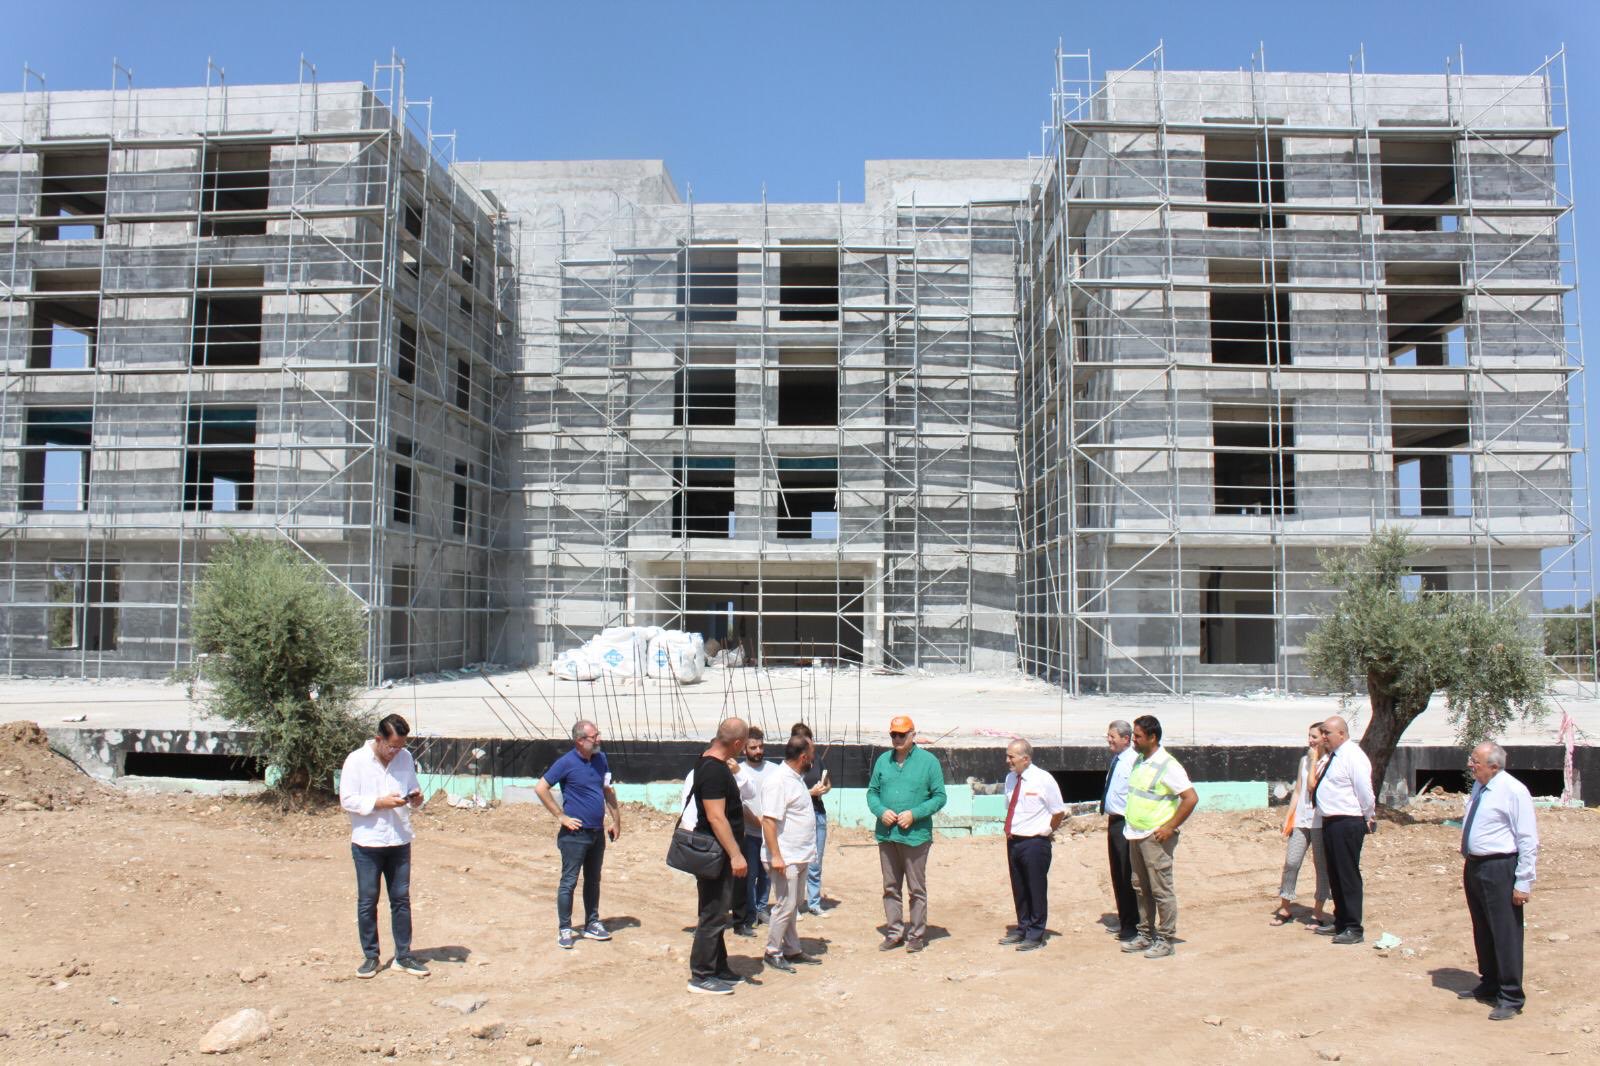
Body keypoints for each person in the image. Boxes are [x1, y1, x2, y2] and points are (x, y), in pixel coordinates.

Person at [339, 713, 429, 978]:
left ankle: (404, 955)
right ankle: (371, 956)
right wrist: (379, 803)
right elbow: (347, 799)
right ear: (378, 739)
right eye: (391, 746)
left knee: (401, 899)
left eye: (400, 747)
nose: (395, 752)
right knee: (368, 900)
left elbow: (412, 788)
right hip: (368, 841)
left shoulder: (405, 758)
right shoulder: (356, 760)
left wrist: (415, 798)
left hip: (399, 839)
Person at [1458, 741, 1539, 1021]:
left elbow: (1527, 838)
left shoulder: (1513, 791)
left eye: (1476, 761)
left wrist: (1523, 882)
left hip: (1500, 867)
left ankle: (1511, 995)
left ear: (1494, 765)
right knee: (1482, 928)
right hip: (1475, 866)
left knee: (1505, 932)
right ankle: (1490, 982)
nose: (1471, 764)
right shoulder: (1481, 787)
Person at [534, 719, 622, 950]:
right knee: (569, 882)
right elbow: (541, 788)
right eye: (594, 737)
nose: (598, 739)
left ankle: (592, 923)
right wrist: (560, 816)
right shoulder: (566, 763)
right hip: (575, 835)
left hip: (596, 833)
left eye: (598, 734)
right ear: (580, 740)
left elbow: (607, 790)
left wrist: (616, 820)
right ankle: (565, 928)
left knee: (593, 880)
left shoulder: (600, 759)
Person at [866, 714, 947, 953]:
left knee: (916, 888)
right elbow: (872, 793)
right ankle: (894, 932)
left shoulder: (929, 762)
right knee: (890, 886)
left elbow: (940, 796)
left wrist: (915, 813)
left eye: (902, 734)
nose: (897, 739)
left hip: (915, 837)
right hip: (887, 835)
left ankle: (916, 934)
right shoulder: (882, 761)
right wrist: (881, 811)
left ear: (913, 734)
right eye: (894, 734)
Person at [1120, 715, 1199, 960]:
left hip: (1155, 837)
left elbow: (1191, 798)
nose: (1134, 739)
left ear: (1152, 737)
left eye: (1138, 736)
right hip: (1135, 833)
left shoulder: (1168, 765)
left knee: (1160, 889)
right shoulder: (1140, 761)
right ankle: (1145, 933)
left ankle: (1165, 938)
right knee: (1140, 887)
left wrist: (1169, 827)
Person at [686, 717, 750, 996]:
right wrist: (736, 854)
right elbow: (715, 816)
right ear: (737, 743)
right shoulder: (713, 770)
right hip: (717, 853)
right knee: (712, 914)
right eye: (744, 744)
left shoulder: (710, 762)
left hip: (718, 851)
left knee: (718, 911)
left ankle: (719, 966)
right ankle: (701, 975)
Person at [760, 734, 823, 972]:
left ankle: (792, 948)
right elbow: (768, 821)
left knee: (793, 904)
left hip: (800, 854)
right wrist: (776, 856)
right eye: (813, 755)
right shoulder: (778, 781)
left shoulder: (795, 778)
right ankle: (772, 950)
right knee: (785, 905)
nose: (814, 760)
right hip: (785, 856)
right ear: (804, 757)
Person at [1312, 715, 1376, 945]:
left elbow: (1364, 790)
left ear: (1341, 733)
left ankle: (1353, 927)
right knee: (1335, 874)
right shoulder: (1334, 756)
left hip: (1347, 822)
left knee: (1347, 874)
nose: (1324, 737)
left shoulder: (1353, 756)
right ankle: (1340, 921)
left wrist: (1369, 815)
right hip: (1330, 821)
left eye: (1327, 732)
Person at [997, 738, 1066, 951]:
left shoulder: (1043, 779)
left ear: (1025, 759)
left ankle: (1036, 933)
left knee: (1035, 888)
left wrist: (1046, 831)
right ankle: (1023, 926)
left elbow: (1058, 811)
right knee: (1019, 887)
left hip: (1035, 841)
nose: (1007, 760)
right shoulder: (1010, 779)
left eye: (1012, 756)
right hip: (1014, 840)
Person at [1273, 722, 1330, 928]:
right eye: (1309, 736)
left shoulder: (1328, 762)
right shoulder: (1304, 760)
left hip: (1320, 822)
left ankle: (1318, 911)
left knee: (1321, 867)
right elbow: (1299, 789)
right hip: (1301, 819)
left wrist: (1315, 761)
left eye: (1314, 736)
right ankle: (1285, 906)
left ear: (1324, 738)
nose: (1310, 740)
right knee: (1291, 862)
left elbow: (1313, 786)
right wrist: (1289, 816)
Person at [730, 727, 771, 936]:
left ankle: (763, 908)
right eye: (753, 747)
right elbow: (740, 803)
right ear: (744, 749)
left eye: (761, 746)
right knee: (750, 875)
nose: (758, 751)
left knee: (767, 874)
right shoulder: (739, 771)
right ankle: (750, 912)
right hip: (749, 833)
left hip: (770, 833)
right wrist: (757, 821)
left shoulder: (773, 769)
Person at [1102, 719, 1139, 941]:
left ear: (1126, 739)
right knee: (1117, 874)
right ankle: (1125, 919)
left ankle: (1132, 925)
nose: (1109, 740)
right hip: (1114, 822)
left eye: (1113, 736)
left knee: (1127, 875)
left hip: (1126, 823)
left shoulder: (1133, 761)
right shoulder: (1118, 759)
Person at [791, 722, 832, 917]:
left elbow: (827, 782)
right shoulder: (792, 766)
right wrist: (810, 792)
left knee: (816, 860)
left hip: (818, 813)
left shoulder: (817, 761)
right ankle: (795, 905)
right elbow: (791, 794)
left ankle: (814, 902)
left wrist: (824, 788)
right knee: (798, 862)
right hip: (799, 816)